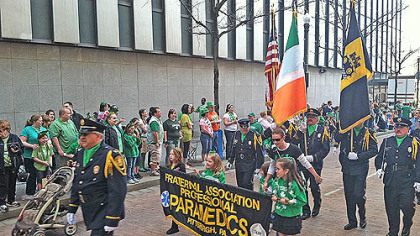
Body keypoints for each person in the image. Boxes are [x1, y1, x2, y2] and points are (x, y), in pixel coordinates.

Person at [67, 119, 127, 236]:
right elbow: (78, 181)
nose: (82, 137)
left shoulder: (111, 155)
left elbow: (118, 190)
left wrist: (112, 218)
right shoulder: (81, 153)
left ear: (98, 136)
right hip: (90, 209)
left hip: (104, 210)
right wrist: (72, 208)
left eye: (86, 134)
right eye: (81, 134)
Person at [375, 117, 420, 236]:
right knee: (391, 207)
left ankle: (407, 224)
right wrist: (379, 168)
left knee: (407, 207)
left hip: (407, 180)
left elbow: (419, 161)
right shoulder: (387, 141)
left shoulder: (414, 142)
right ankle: (393, 231)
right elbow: (380, 157)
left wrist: (418, 179)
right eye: (396, 127)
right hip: (391, 179)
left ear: (407, 129)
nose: (398, 129)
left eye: (401, 127)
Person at [335, 122, 378, 230]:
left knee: (359, 194)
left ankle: (362, 217)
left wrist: (359, 156)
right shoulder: (347, 131)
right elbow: (337, 138)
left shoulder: (368, 133)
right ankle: (352, 221)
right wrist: (344, 128)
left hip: (360, 168)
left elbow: (374, 150)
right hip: (347, 167)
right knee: (349, 195)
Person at [293, 108, 330, 220]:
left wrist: (314, 157)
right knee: (302, 187)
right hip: (302, 164)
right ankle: (306, 210)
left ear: (317, 119)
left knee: (314, 186)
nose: (310, 118)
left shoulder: (322, 130)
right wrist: (299, 131)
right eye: (308, 116)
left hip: (315, 164)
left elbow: (325, 148)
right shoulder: (302, 129)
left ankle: (317, 203)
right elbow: (293, 143)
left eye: (313, 117)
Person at [262, 126, 322, 193]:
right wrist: (266, 181)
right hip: (281, 180)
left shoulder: (294, 149)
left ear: (283, 138)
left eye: (277, 140)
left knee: (299, 200)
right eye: (273, 140)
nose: (275, 142)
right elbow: (272, 167)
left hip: (294, 179)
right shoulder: (273, 151)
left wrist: (316, 176)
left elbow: (305, 163)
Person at [271, 158, 307, 236]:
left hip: (292, 216)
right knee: (280, 233)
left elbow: (303, 201)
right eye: (275, 169)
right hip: (280, 213)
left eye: (278, 169)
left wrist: (289, 202)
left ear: (286, 171)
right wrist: (274, 197)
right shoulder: (276, 181)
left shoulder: (295, 184)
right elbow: (275, 193)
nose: (276, 171)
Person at [227, 118, 263, 190]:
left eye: (246, 127)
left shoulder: (254, 135)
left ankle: (250, 199)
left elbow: (259, 152)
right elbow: (233, 148)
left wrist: (259, 166)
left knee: (247, 183)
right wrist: (230, 161)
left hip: (250, 163)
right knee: (240, 184)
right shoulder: (236, 134)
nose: (245, 130)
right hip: (239, 163)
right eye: (243, 128)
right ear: (240, 127)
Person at [20, 115, 48, 199]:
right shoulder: (27, 130)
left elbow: (48, 139)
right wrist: (31, 146)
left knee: (42, 175)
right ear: (35, 121)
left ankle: (42, 191)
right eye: (40, 120)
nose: (41, 122)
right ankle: (30, 193)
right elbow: (22, 141)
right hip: (30, 156)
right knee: (32, 174)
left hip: (42, 156)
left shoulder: (43, 129)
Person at [0, 120, 24, 212]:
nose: (0, 134)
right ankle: (2, 202)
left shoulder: (14, 137)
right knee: (3, 184)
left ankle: (11, 200)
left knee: (12, 183)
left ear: (7, 130)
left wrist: (16, 151)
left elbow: (22, 149)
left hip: (13, 164)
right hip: (2, 166)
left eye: (1, 131)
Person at [166, 147, 186, 235]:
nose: (170, 156)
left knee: (176, 208)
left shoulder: (181, 166)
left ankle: (175, 225)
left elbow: (183, 177)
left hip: (178, 190)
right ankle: (174, 225)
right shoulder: (169, 165)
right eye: (170, 154)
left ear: (177, 156)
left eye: (173, 154)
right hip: (171, 190)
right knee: (172, 208)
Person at [146, 107, 164, 176]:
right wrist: (156, 142)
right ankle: (153, 170)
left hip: (159, 142)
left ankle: (156, 168)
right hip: (154, 142)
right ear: (155, 113)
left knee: (158, 156)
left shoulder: (158, 120)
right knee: (155, 156)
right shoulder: (154, 121)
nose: (160, 113)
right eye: (158, 112)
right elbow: (155, 133)